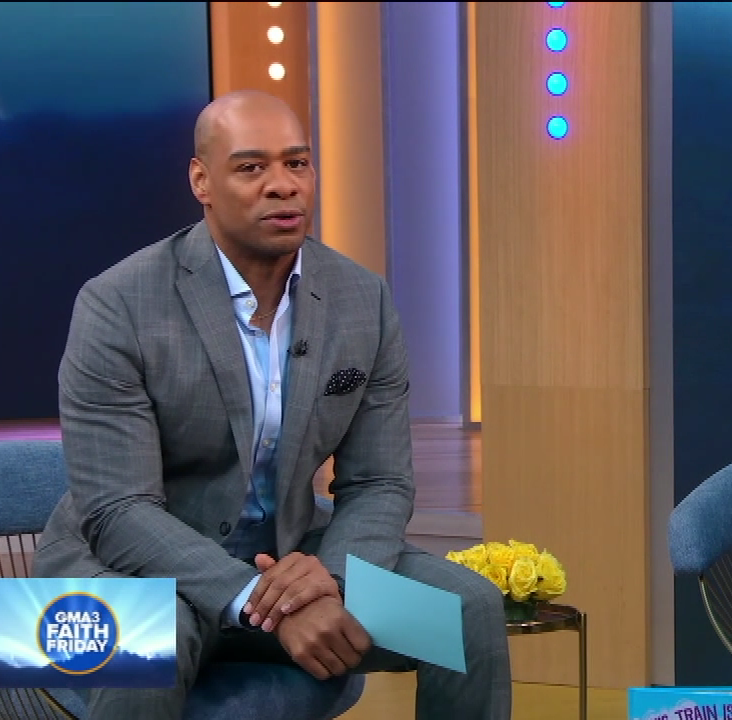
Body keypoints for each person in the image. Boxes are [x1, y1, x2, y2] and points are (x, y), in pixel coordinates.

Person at [32, 89, 512, 720]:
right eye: (252, 167)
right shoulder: (117, 303)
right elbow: (117, 511)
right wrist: (271, 603)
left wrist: (331, 579)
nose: (283, 185)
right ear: (201, 181)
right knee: (150, 646)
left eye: (297, 163)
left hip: (291, 560)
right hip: (116, 574)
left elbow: (380, 483)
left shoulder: (362, 300)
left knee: (465, 612)